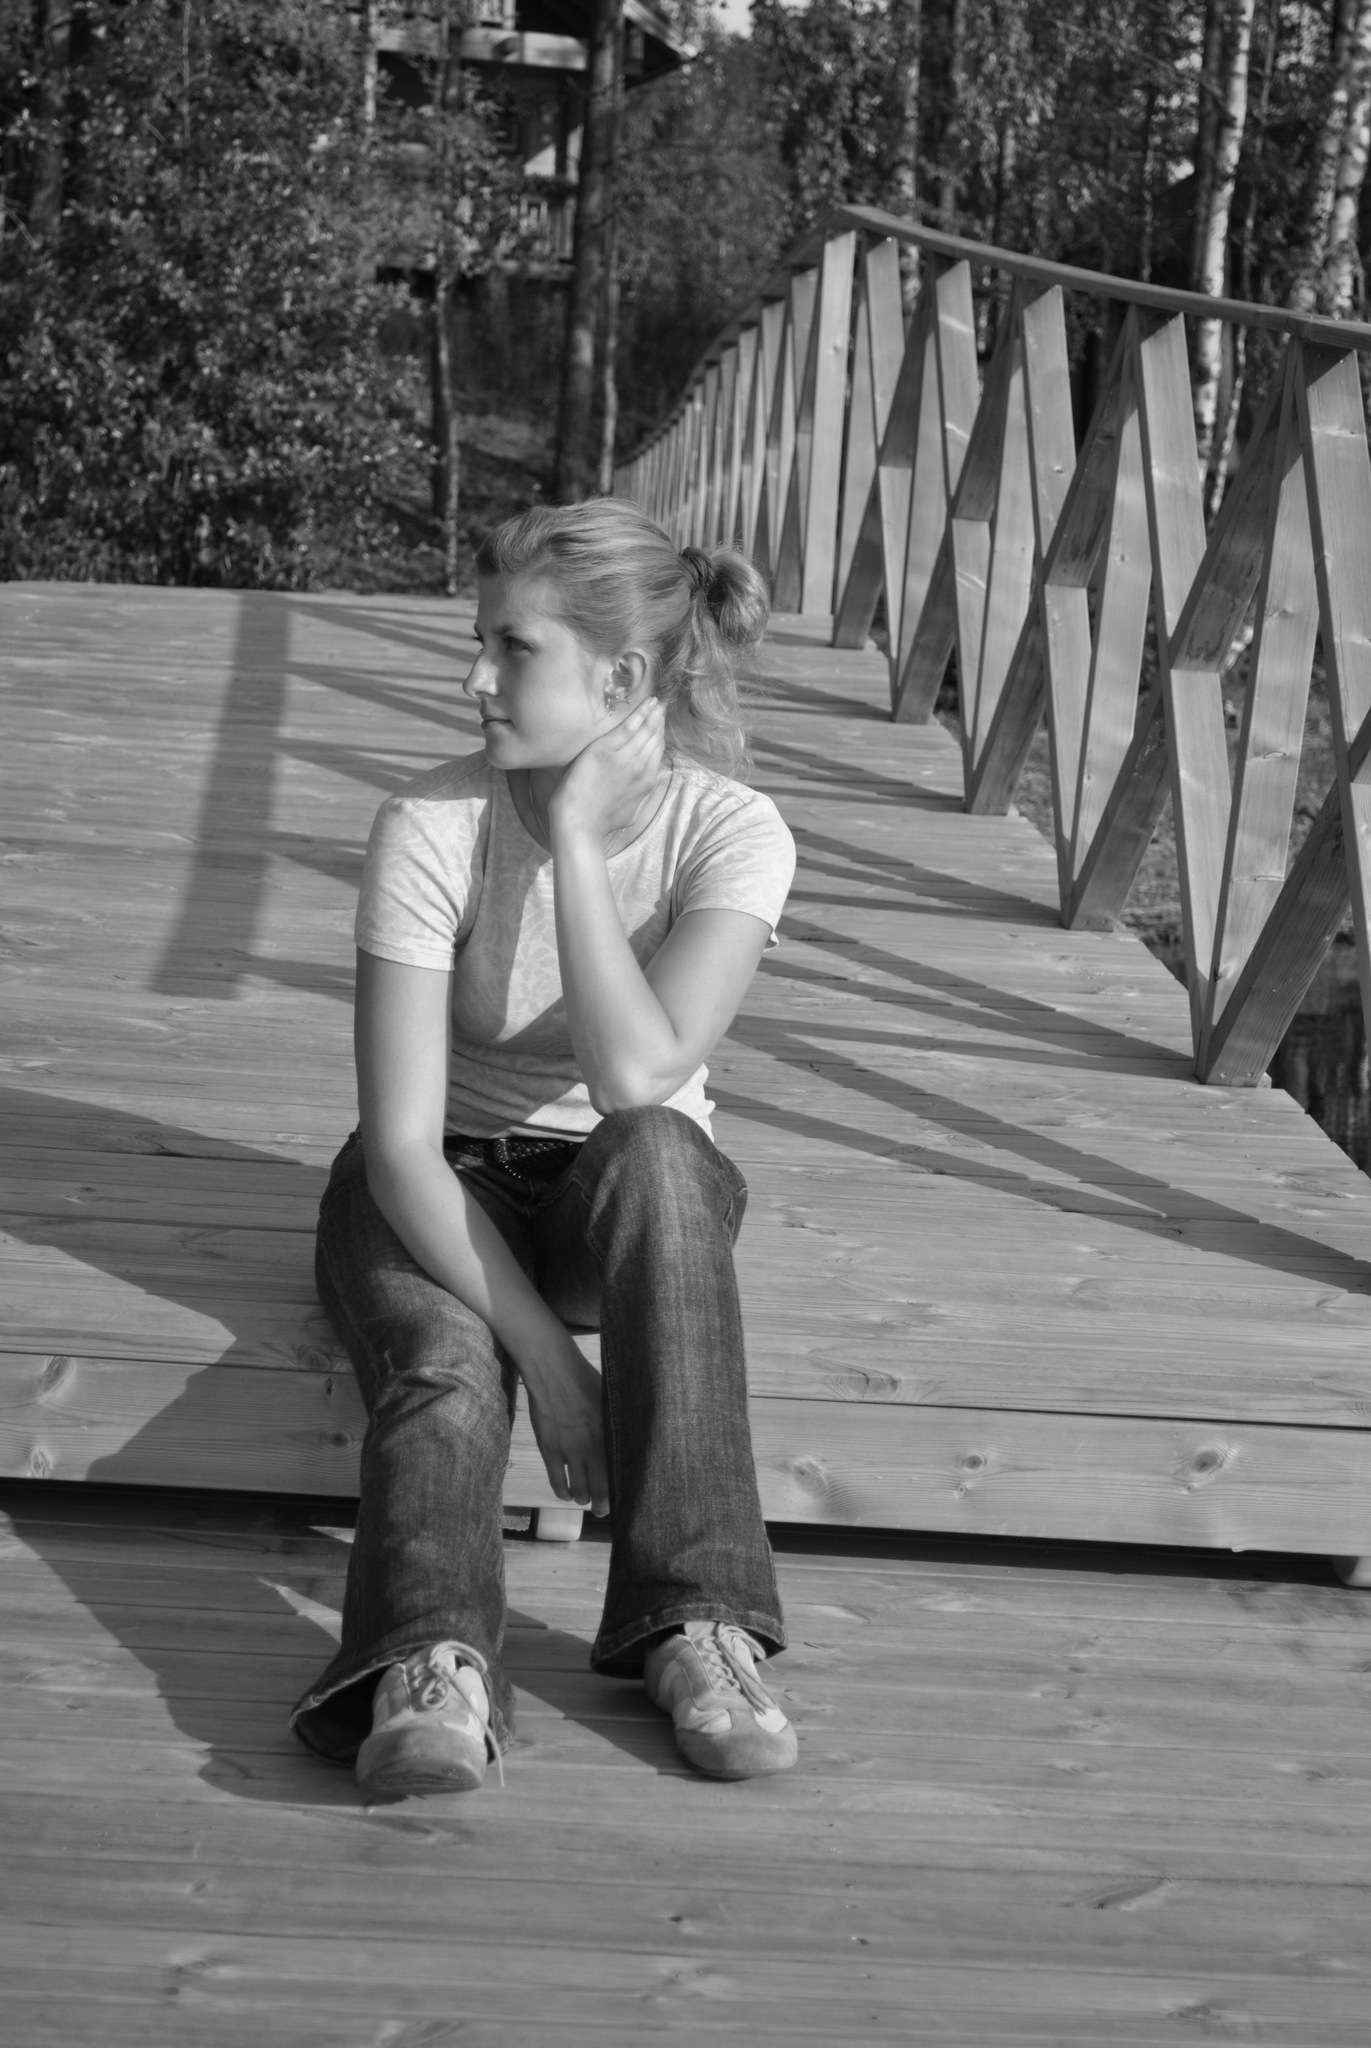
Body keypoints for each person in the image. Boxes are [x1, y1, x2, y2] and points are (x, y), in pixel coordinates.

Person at [291, 497, 798, 1800]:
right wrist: (554, 1369)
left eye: (511, 648)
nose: (473, 677)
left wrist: (572, 839)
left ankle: (699, 1624)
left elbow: (638, 1078)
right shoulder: (430, 823)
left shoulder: (730, 833)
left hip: (613, 1204)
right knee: (448, 1366)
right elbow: (402, 1149)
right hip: (432, 1185)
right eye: (479, 641)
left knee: (665, 1155)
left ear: (621, 683)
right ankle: (429, 1663)